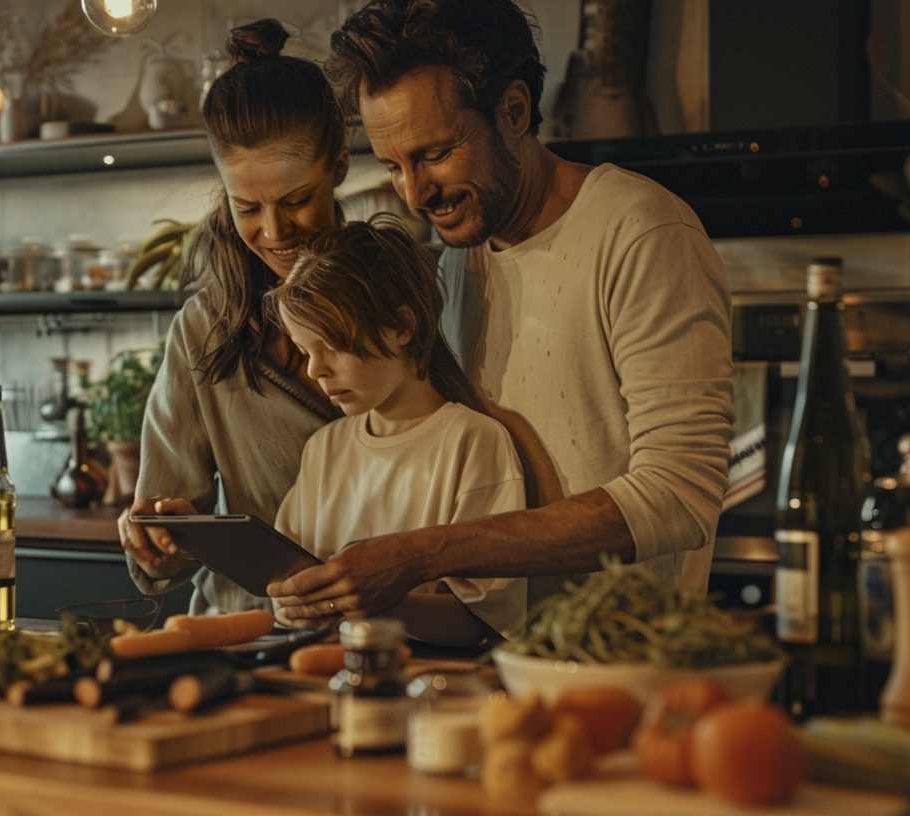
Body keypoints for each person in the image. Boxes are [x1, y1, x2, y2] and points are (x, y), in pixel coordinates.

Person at [270, 0, 734, 624]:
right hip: (492, 665)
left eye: (434, 153)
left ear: (513, 110)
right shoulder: (462, 256)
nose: (414, 192)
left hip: (623, 663)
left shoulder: (641, 231)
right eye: (393, 165)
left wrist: (423, 554)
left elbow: (678, 495)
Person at [117, 19, 350, 615]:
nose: (274, 233)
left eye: (297, 200)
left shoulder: (411, 302)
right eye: (248, 207)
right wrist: (160, 542)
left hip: (388, 631)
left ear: (341, 166)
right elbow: (159, 540)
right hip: (243, 635)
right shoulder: (204, 330)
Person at [266, 218, 526, 645]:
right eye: (304, 351)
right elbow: (287, 578)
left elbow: (483, 621)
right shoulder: (324, 449)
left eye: (332, 345)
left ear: (402, 327)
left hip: (432, 686)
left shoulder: (471, 441)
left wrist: (368, 604)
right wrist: (292, 602)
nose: (315, 370)